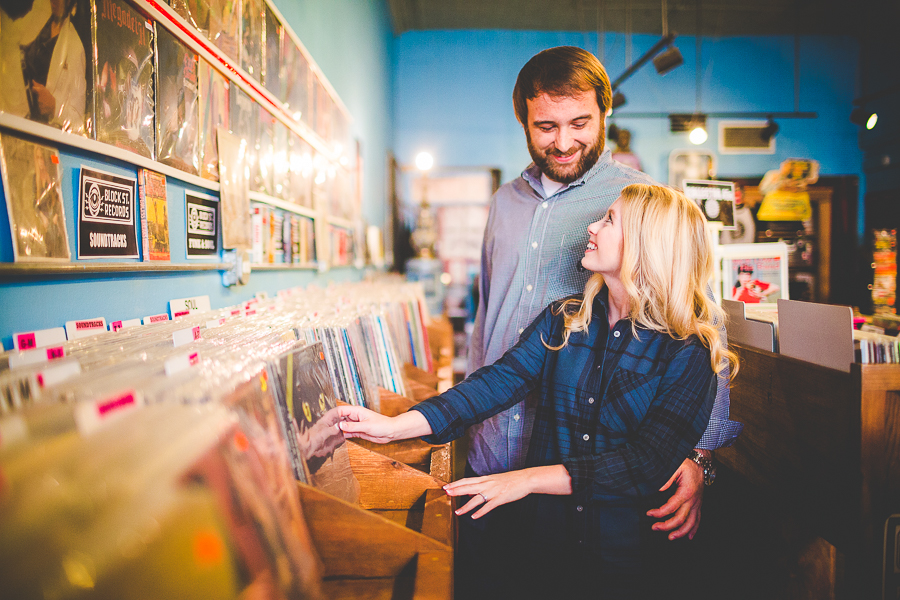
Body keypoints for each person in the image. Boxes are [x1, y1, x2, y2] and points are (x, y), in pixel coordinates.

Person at [338, 183, 739, 597]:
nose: (592, 226)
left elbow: (645, 463)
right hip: (547, 547)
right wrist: (392, 427)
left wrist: (524, 480)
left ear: (646, 245)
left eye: (609, 220)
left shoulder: (689, 350)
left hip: (631, 556)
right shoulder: (564, 319)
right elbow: (493, 385)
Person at [449, 45, 742, 599]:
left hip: (577, 459)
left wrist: (698, 456)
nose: (562, 142)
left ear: (606, 113)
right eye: (546, 127)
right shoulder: (503, 203)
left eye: (580, 123)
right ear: (524, 122)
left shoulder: (637, 201)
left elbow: (703, 326)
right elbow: (489, 313)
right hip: (490, 445)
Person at [20, 0, 86, 133]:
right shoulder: (36, 26)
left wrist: (54, 107)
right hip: (20, 120)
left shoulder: (75, 48)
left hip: (45, 134)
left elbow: (79, 121)